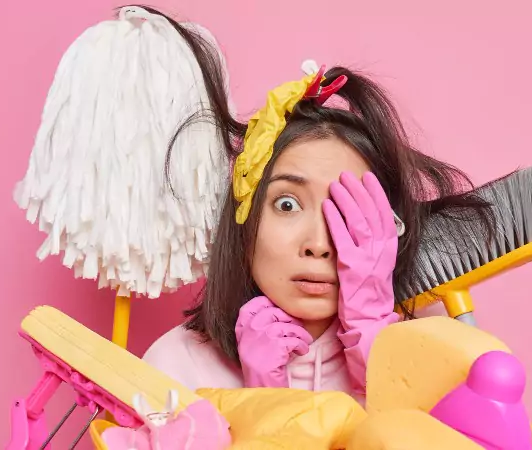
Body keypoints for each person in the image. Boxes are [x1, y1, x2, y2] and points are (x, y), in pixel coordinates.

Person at [140, 6, 493, 405]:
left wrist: (375, 343)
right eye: (287, 204)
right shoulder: (173, 370)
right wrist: (261, 408)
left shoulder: (435, 364)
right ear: (246, 218)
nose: (318, 244)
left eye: (347, 212)